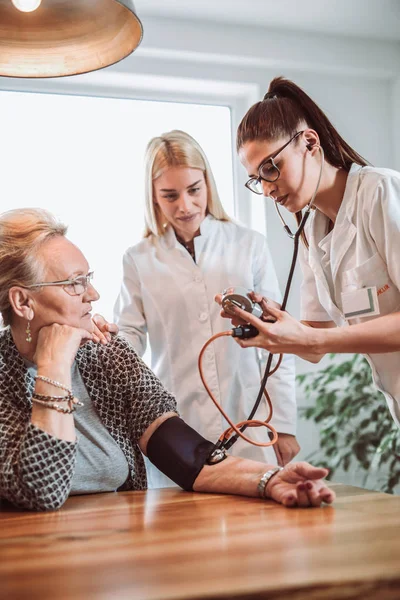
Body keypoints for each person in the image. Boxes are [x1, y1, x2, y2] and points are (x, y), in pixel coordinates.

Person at [0, 208, 335, 511]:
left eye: (89, 278)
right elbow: (41, 490)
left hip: (113, 553)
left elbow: (185, 454)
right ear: (22, 302)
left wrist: (269, 479)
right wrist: (54, 366)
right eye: (75, 283)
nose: (93, 294)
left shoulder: (105, 355)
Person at [113, 130, 299, 489]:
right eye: (170, 195)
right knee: (183, 535)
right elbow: (127, 344)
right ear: (153, 197)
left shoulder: (249, 245)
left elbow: (279, 343)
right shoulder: (137, 260)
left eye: (194, 190)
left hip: (251, 421)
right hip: (176, 428)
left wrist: (285, 424)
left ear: (208, 184)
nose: (185, 206)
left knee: (259, 528)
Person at [219, 75, 400, 430]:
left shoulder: (381, 191)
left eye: (271, 167)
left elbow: (318, 339)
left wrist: (313, 338)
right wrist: (268, 325)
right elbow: (315, 339)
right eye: (258, 178)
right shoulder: (311, 231)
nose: (268, 188)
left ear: (309, 142)